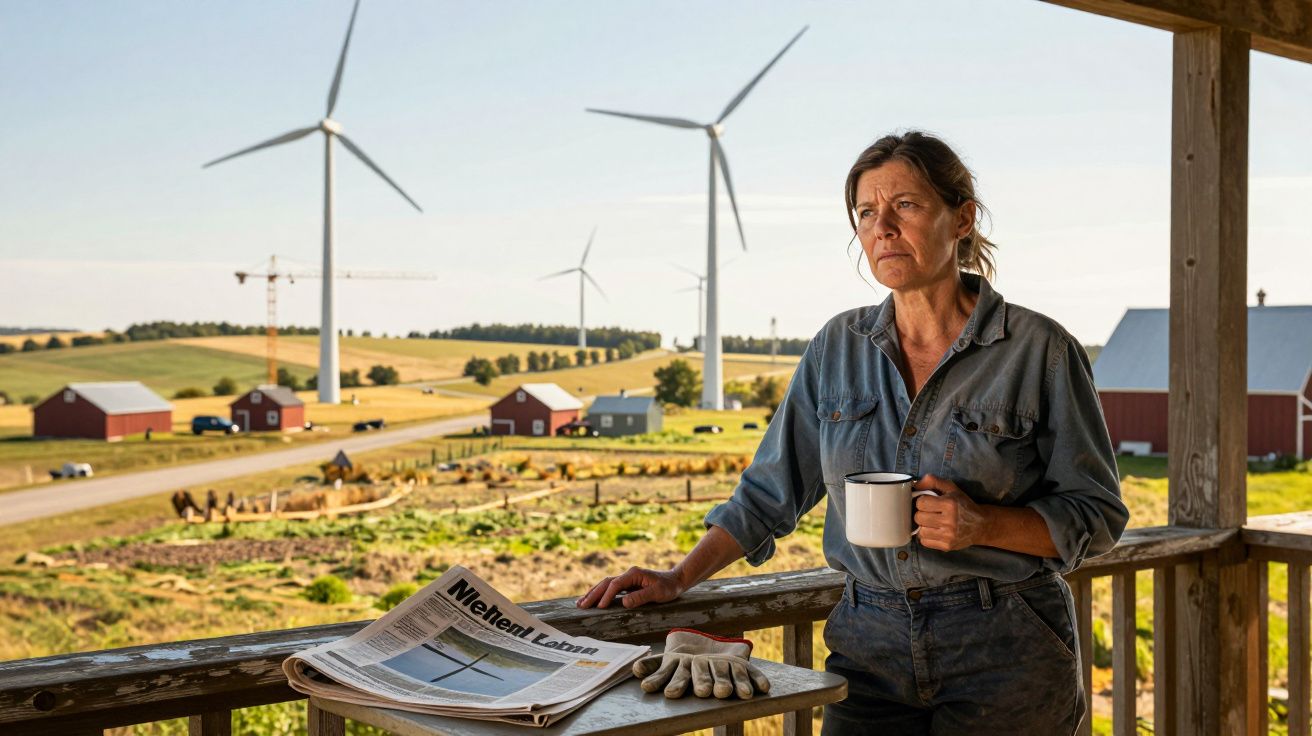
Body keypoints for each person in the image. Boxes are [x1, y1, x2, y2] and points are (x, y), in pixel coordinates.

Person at [577, 131, 1129, 734]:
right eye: (867, 212)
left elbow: (1097, 515)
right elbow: (768, 493)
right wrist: (678, 577)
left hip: (1005, 643)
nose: (882, 228)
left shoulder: (1039, 351)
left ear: (962, 218)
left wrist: (984, 525)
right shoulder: (836, 348)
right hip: (868, 645)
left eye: (907, 206)